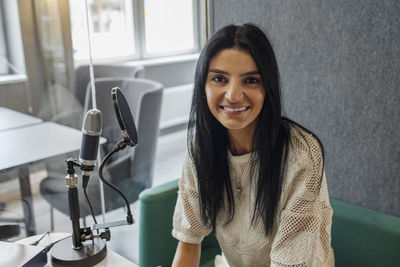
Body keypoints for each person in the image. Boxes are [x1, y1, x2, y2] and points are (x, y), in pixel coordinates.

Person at [171, 23, 334, 267]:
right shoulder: (200, 149)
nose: (233, 95)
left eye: (250, 80)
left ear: (267, 87)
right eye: (219, 79)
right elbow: (188, 243)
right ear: (203, 85)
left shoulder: (301, 155)